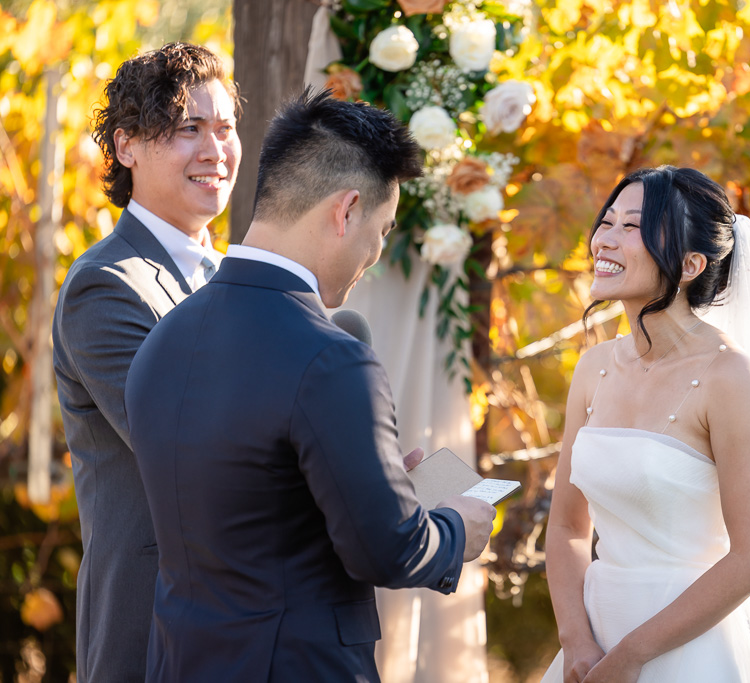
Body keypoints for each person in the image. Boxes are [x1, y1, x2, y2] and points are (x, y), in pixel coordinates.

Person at [122, 89, 496, 682]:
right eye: (383, 228)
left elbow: (245, 501)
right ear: (346, 211)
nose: (375, 252)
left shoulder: (163, 341)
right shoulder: (332, 358)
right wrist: (456, 527)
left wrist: (365, 476)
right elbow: (386, 549)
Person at [541, 166, 750, 682]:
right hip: (593, 643)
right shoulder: (593, 369)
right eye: (607, 222)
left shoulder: (728, 377)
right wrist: (577, 642)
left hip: (693, 648)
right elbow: (569, 526)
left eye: (632, 228)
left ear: (689, 265)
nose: (604, 241)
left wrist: (634, 656)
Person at [51, 42, 240, 682]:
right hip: (152, 628)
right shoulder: (104, 286)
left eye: (225, 128)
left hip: (250, 623)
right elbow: (188, 450)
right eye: (190, 129)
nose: (215, 150)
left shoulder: (239, 279)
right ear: (127, 146)